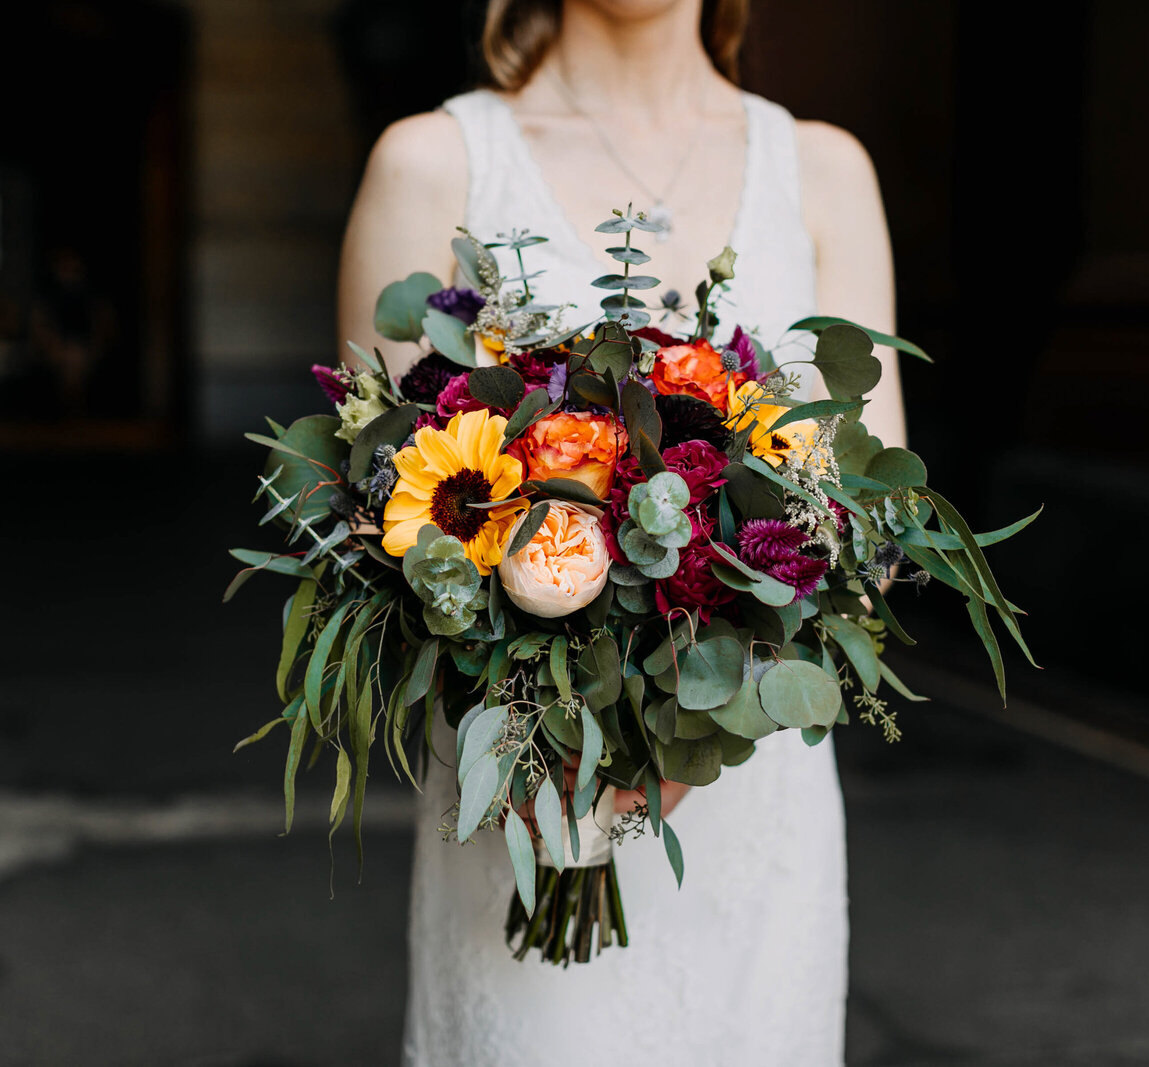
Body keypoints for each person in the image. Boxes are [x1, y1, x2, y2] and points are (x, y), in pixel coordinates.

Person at [335, 1, 905, 1062]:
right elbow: (384, 527)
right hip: (527, 787)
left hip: (753, 808)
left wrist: (698, 720)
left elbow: (860, 526)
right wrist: (569, 724)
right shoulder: (431, 164)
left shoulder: (822, 172)